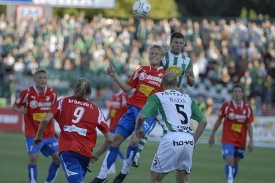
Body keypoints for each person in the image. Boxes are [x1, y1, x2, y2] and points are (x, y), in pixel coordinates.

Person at [89, 44, 166, 183]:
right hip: (132, 110)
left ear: (161, 57)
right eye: (151, 53)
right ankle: (102, 176)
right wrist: (114, 75)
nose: (153, 55)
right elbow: (126, 88)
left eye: (156, 54)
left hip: (148, 115)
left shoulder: (165, 75)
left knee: (134, 139)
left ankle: (124, 172)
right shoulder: (141, 70)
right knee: (115, 139)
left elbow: (168, 94)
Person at [133, 32, 195, 170]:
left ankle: (171, 155)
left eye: (180, 43)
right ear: (170, 43)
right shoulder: (164, 57)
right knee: (152, 120)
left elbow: (191, 83)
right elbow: (156, 72)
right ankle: (137, 153)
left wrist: (189, 77)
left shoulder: (187, 61)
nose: (178, 45)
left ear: (184, 44)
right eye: (175, 42)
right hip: (162, 95)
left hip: (177, 97)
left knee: (171, 127)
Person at [34, 78, 113, 183]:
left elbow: (45, 120)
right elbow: (110, 139)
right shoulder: (96, 110)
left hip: (68, 150)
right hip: (85, 153)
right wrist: (97, 154)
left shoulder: (63, 102)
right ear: (90, 93)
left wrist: (39, 136)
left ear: (74, 90)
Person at [135, 72, 207, 183]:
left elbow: (141, 117)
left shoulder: (158, 97)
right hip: (188, 139)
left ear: (162, 84)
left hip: (171, 137)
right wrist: (194, 141)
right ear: (176, 83)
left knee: (155, 179)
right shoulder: (187, 98)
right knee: (183, 179)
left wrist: (138, 129)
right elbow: (203, 121)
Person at [11, 69, 60, 183]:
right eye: (40, 78)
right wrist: (20, 110)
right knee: (33, 157)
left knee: (58, 158)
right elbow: (14, 106)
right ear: (35, 80)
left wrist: (54, 130)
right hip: (32, 132)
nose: (43, 80)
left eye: (44, 78)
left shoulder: (52, 94)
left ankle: (48, 182)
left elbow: (52, 113)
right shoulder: (27, 93)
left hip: (48, 133)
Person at [208, 83, 254, 183]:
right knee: (229, 159)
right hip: (227, 139)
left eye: (239, 91)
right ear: (232, 93)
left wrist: (251, 141)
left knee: (236, 162)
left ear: (242, 94)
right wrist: (212, 135)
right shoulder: (226, 106)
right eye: (235, 91)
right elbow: (219, 120)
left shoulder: (247, 108)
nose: (237, 93)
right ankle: (230, 180)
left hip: (241, 140)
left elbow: (249, 125)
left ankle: (232, 178)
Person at [105, 82, 128, 174]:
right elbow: (111, 110)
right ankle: (121, 162)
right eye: (113, 85)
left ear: (120, 86)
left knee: (113, 145)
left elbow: (127, 109)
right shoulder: (113, 97)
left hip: (119, 125)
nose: (115, 87)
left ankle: (117, 164)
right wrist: (105, 120)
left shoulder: (123, 96)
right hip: (112, 124)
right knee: (113, 145)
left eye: (116, 85)